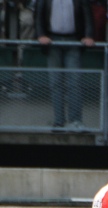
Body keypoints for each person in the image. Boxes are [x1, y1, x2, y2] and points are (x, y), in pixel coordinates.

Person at [35, 0, 95, 130]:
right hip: (52, 41)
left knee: (75, 82)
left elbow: (88, 16)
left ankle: (76, 121)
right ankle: (59, 121)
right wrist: (41, 35)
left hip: (73, 40)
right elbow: (38, 16)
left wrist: (89, 35)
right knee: (55, 82)